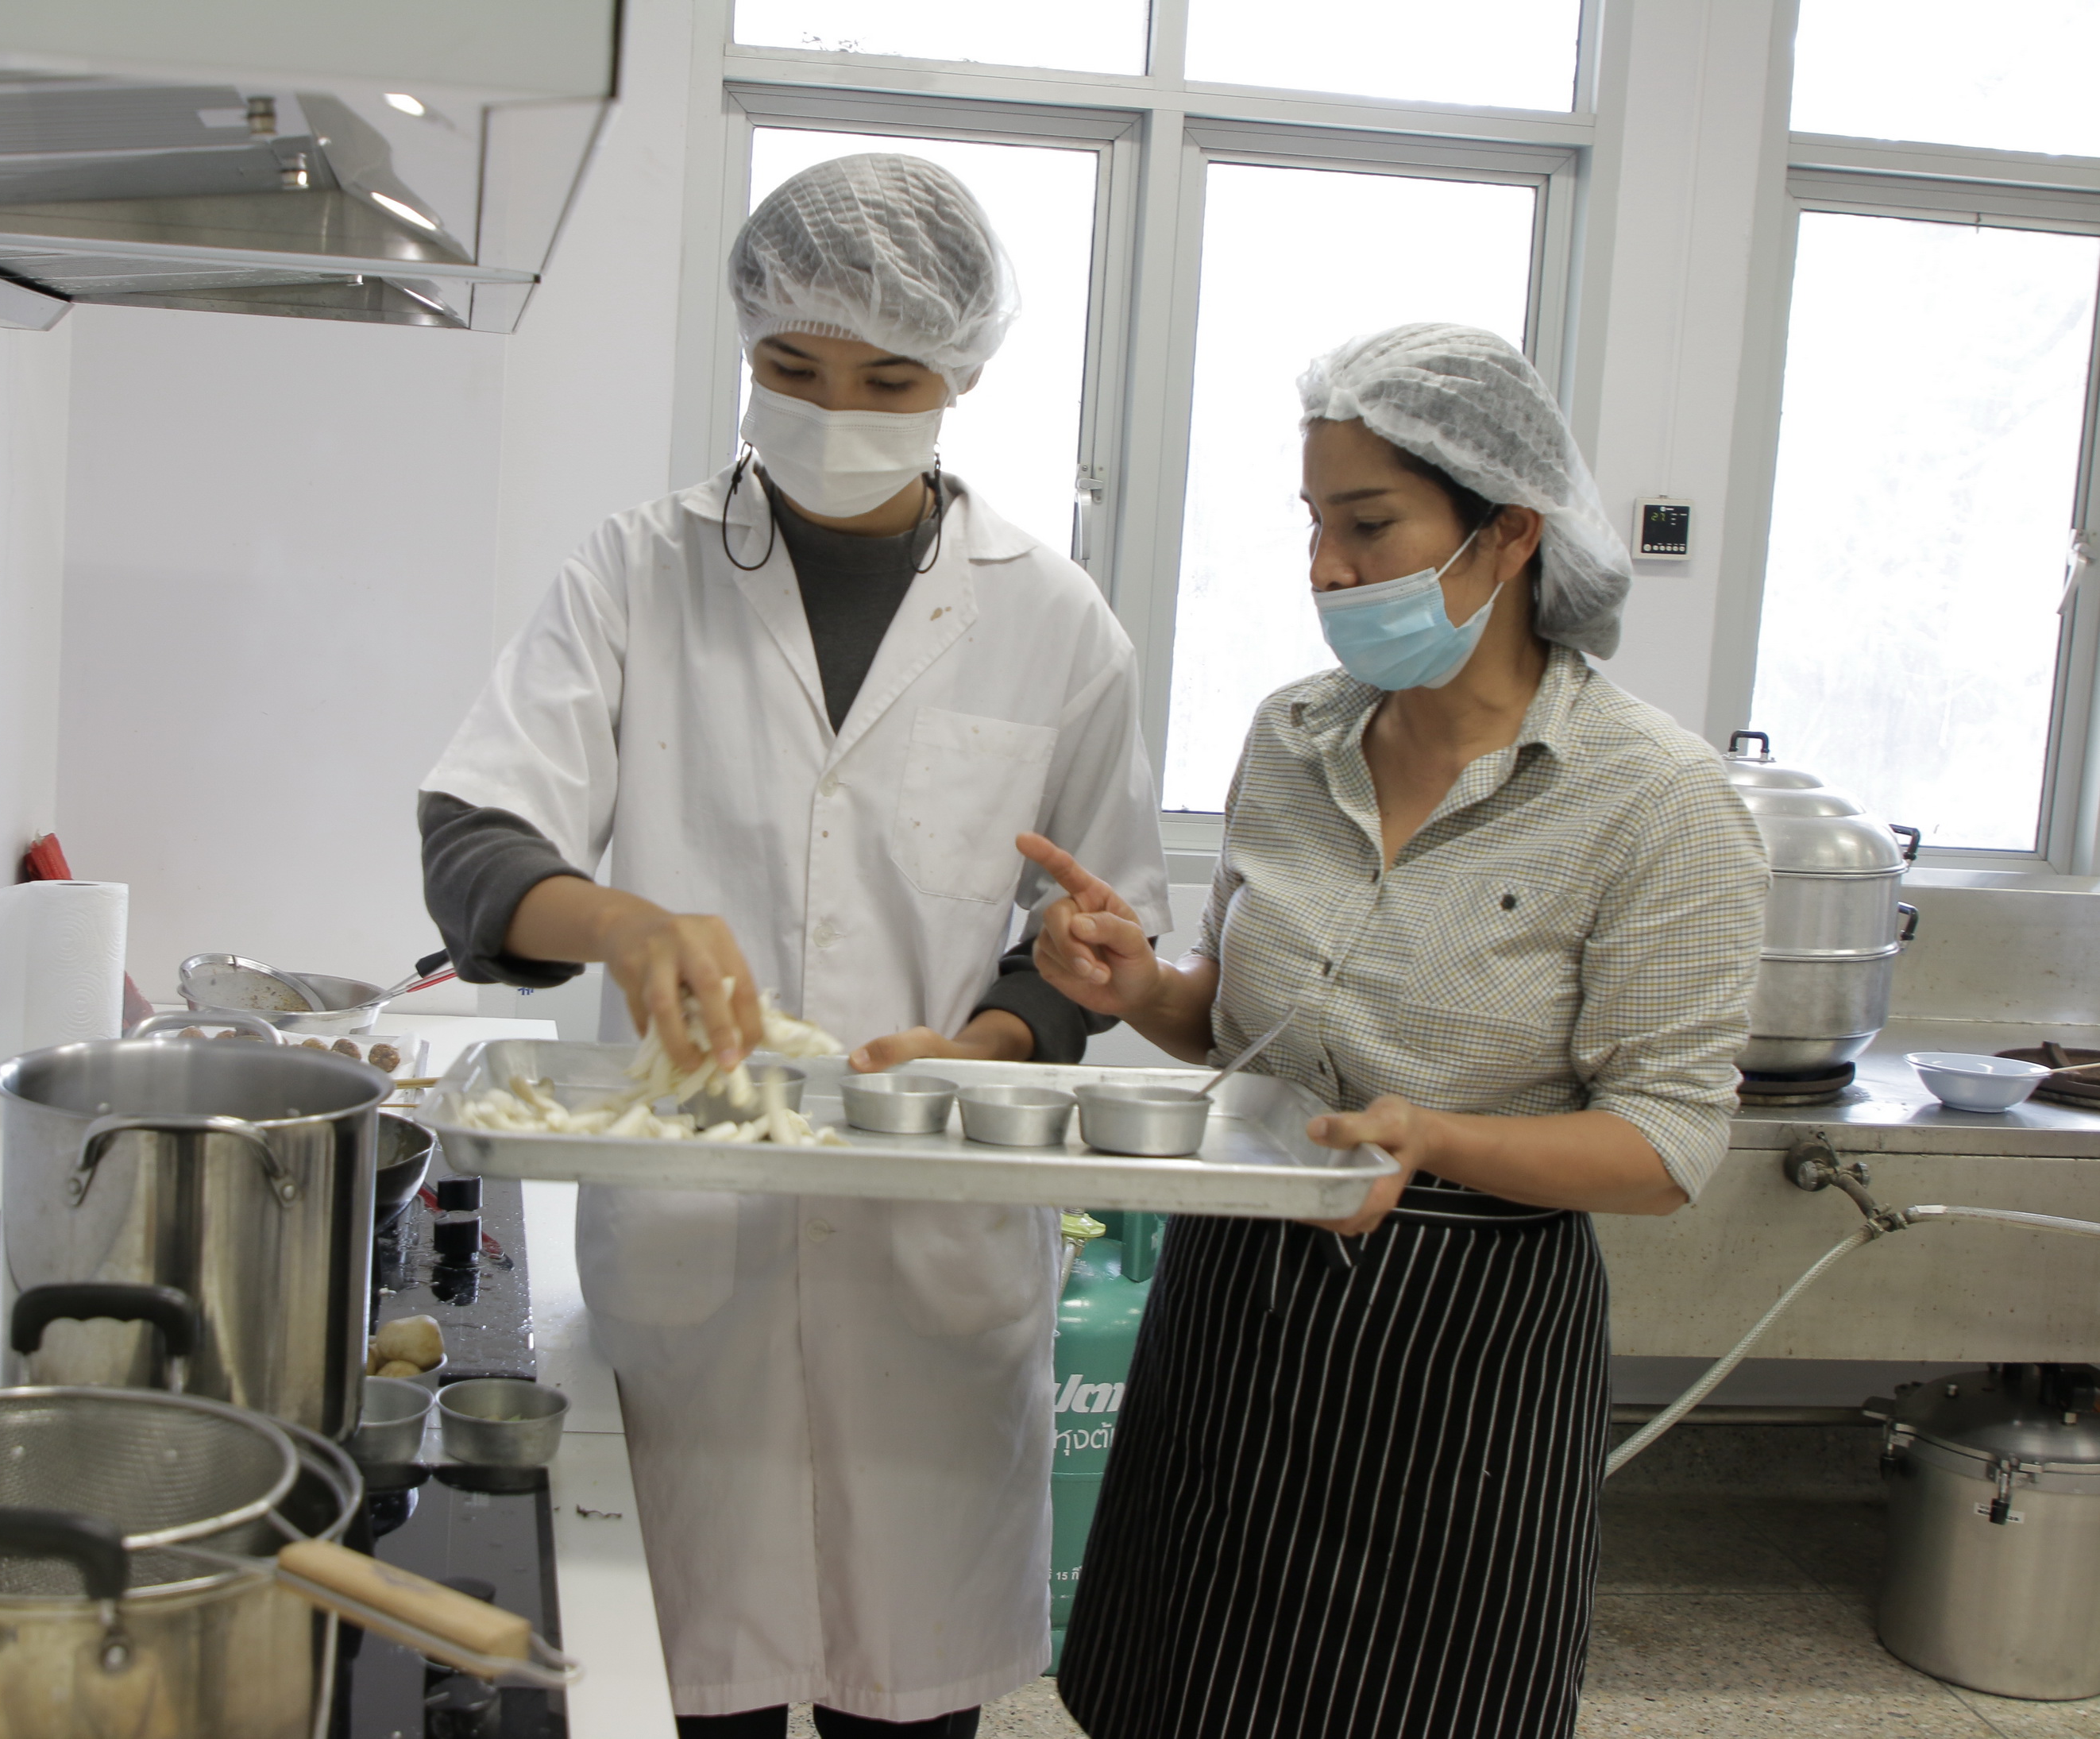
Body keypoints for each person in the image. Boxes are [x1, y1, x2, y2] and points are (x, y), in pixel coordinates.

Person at [417, 154, 1170, 1737]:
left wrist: (985, 1044)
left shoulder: (1056, 624)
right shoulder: (637, 572)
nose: (834, 411)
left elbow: (1088, 940)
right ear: (747, 347)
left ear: (962, 370)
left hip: (931, 1260)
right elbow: (477, 841)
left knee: (912, 1709)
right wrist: (622, 923)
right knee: (697, 1698)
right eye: (792, 367)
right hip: (695, 1257)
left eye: (887, 379)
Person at [1037, 323, 1767, 1739]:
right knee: (1179, 1685)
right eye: (1314, 524)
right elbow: (1240, 1022)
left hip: (1462, 1343)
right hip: (1234, 1299)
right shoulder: (1291, 738)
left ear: (1510, 533)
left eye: (1369, 526)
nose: (1326, 568)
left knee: (1417, 1701)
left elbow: (1667, 1142)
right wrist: (1139, 988)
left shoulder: (1653, 801)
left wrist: (1429, 1135)